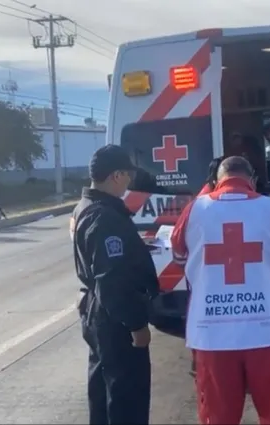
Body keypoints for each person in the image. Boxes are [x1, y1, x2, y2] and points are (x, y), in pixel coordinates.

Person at [171, 156, 270, 425]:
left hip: (212, 332)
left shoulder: (194, 210)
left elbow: (179, 258)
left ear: (216, 181)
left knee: (218, 418)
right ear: (252, 180)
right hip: (267, 329)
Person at [71, 145, 160, 425]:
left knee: (103, 393)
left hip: (98, 313)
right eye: (129, 175)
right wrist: (136, 326)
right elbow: (113, 279)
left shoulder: (87, 206)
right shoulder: (105, 217)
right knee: (126, 399)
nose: (130, 182)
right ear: (117, 175)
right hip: (115, 322)